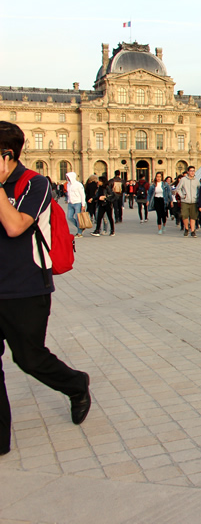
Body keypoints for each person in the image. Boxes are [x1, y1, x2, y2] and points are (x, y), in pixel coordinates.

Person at [0, 121, 91, 457]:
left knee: (29, 358)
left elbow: (14, 226)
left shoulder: (34, 184)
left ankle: (76, 384)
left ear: (6, 154)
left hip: (25, 288)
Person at [175, 165, 201, 237]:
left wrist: (197, 196)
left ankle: (193, 231)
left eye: (193, 171)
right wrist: (182, 196)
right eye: (191, 171)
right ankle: (186, 228)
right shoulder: (183, 179)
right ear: (188, 172)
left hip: (194, 201)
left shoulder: (196, 180)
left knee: (193, 216)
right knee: (184, 215)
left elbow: (199, 189)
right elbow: (178, 188)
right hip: (185, 201)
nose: (192, 172)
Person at [64, 171, 87, 238]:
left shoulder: (78, 185)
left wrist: (83, 205)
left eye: (68, 177)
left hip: (78, 203)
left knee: (78, 218)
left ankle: (79, 233)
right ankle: (80, 227)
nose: (67, 178)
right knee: (69, 217)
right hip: (70, 203)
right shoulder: (68, 184)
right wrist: (68, 200)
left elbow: (82, 195)